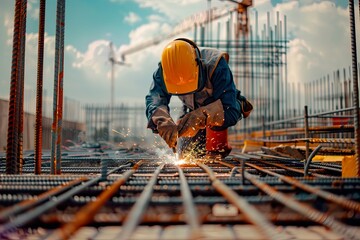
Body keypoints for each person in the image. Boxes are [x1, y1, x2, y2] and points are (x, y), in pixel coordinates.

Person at [145, 38, 252, 158]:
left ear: (198, 64)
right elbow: (155, 100)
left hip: (220, 104)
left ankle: (238, 104)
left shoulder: (216, 65)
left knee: (216, 153)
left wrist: (201, 116)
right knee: (186, 155)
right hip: (190, 107)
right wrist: (162, 121)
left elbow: (230, 111)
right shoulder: (164, 71)